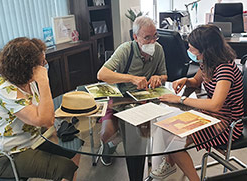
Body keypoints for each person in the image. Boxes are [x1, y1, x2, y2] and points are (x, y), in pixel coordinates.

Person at [150, 24, 244, 180]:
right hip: (211, 115)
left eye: (192, 49)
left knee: (174, 144)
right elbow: (196, 80)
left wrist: (181, 99)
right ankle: (170, 163)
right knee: (168, 128)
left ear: (206, 50)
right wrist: (186, 80)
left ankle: (193, 178)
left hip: (227, 123)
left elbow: (215, 104)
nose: (189, 51)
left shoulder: (224, 68)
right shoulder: (208, 62)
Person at [0, 37, 78, 181]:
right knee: (65, 167)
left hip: (29, 141)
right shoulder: (3, 89)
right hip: (1, 156)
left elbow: (43, 115)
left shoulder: (24, 81)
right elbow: (45, 120)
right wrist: (43, 81)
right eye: (41, 63)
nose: (44, 66)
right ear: (25, 67)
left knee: (73, 151)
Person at [97, 16, 168, 166]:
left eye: (155, 36)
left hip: (144, 98)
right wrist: (131, 78)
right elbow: (102, 74)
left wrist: (158, 78)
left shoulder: (159, 49)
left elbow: (164, 75)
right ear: (135, 37)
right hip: (120, 98)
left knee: (143, 132)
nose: (152, 41)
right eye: (147, 37)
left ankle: (126, 145)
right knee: (106, 134)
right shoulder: (126, 49)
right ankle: (110, 144)